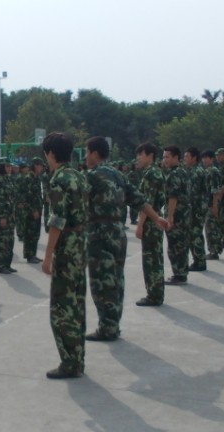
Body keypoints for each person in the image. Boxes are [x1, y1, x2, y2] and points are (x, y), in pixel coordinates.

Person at [84, 137, 169, 341]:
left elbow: (77, 206)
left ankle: (107, 327)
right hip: (118, 234)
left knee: (100, 281)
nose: (85, 157)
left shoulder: (92, 177)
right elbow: (140, 200)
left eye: (87, 152)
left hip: (99, 235)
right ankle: (113, 323)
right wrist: (156, 218)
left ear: (94, 153)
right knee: (116, 279)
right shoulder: (118, 175)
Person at [40, 132, 88, 379]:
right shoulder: (79, 175)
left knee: (62, 308)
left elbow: (57, 220)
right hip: (80, 244)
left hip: (66, 247)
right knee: (77, 303)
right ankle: (78, 358)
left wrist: (48, 256)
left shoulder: (59, 179)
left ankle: (70, 362)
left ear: (50, 153)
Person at [134, 142, 167, 306]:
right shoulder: (155, 172)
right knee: (155, 258)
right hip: (155, 219)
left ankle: (154, 295)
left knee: (151, 260)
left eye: (141, 154)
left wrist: (140, 225)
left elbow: (147, 203)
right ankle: (156, 293)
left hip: (151, 222)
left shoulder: (151, 174)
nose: (138, 158)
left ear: (150, 156)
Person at [161, 146, 192, 285]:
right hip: (185, 214)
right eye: (164, 157)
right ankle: (182, 272)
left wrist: (170, 216)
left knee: (175, 246)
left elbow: (173, 197)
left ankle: (179, 274)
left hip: (177, 215)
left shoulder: (174, 174)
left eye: (167, 157)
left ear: (175, 157)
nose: (164, 160)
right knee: (182, 245)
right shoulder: (183, 172)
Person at [184, 147, 209, 271]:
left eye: (187, 156)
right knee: (193, 235)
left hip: (196, 208)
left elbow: (192, 194)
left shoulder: (197, 172)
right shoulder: (192, 170)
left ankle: (200, 262)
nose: (185, 158)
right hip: (194, 208)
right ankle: (198, 260)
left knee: (196, 235)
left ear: (194, 158)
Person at [0, 160, 17, 274]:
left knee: (10, 240)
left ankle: (7, 264)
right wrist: (2, 217)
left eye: (10, 166)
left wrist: (13, 212)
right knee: (2, 241)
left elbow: (11, 197)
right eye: (7, 166)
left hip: (9, 214)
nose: (9, 168)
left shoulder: (8, 179)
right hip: (2, 215)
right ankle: (1, 265)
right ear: (1, 167)